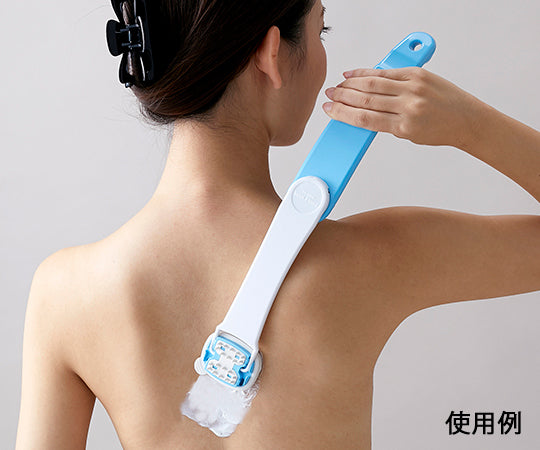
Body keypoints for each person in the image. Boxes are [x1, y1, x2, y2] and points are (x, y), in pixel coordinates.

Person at [16, 0, 540, 448]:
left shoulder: (65, 292)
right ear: (271, 54)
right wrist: (472, 125)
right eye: (320, 29)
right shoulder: (373, 259)